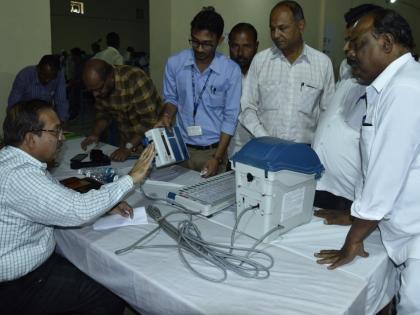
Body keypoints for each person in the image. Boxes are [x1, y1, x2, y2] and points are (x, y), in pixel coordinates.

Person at [0, 99, 155, 315]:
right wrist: (131, 178)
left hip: (30, 270)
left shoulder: (13, 161)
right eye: (55, 132)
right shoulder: (20, 176)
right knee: (109, 291)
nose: (62, 138)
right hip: (19, 286)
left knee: (93, 269)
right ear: (30, 138)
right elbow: (77, 211)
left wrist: (107, 203)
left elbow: (57, 194)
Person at [315, 9, 420, 314]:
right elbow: (371, 166)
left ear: (386, 43)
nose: (348, 51)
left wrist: (353, 239)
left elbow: (385, 178)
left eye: (357, 44)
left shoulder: (404, 90)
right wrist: (353, 214)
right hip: (399, 232)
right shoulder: (386, 86)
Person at [313, 4, 381, 225]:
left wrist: (355, 215)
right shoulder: (350, 71)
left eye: (354, 41)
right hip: (320, 186)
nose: (346, 48)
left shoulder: (392, 94)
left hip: (351, 202)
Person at [156, 7, 241, 177]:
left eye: (207, 43)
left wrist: (217, 158)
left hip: (212, 151)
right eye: (195, 42)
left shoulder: (230, 71)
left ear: (220, 40)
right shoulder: (175, 63)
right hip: (181, 148)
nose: (200, 49)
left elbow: (230, 117)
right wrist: (166, 116)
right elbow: (171, 98)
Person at [240, 0, 334, 145]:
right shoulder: (260, 61)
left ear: (301, 25)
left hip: (304, 153)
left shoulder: (322, 64)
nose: (276, 35)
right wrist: (264, 138)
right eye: (272, 29)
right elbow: (247, 107)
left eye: (282, 28)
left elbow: (327, 114)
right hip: (265, 148)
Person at [81, 59, 162, 162]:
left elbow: (149, 121)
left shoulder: (136, 79)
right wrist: (95, 134)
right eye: (91, 90)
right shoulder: (100, 87)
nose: (95, 94)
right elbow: (104, 114)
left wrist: (128, 147)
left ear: (110, 77)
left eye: (99, 88)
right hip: (128, 143)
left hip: (154, 142)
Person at [227, 22, 259, 159]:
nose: (240, 53)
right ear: (229, 45)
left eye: (246, 46)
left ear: (256, 46)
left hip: (259, 152)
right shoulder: (222, 75)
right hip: (228, 154)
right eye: (235, 46)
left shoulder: (264, 75)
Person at [8, 55, 69, 121]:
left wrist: (63, 121)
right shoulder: (24, 76)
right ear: (38, 69)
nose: (47, 80)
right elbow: (14, 103)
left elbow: (61, 101)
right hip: (25, 114)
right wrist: (14, 121)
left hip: (45, 114)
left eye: (51, 77)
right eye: (44, 75)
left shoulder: (59, 76)